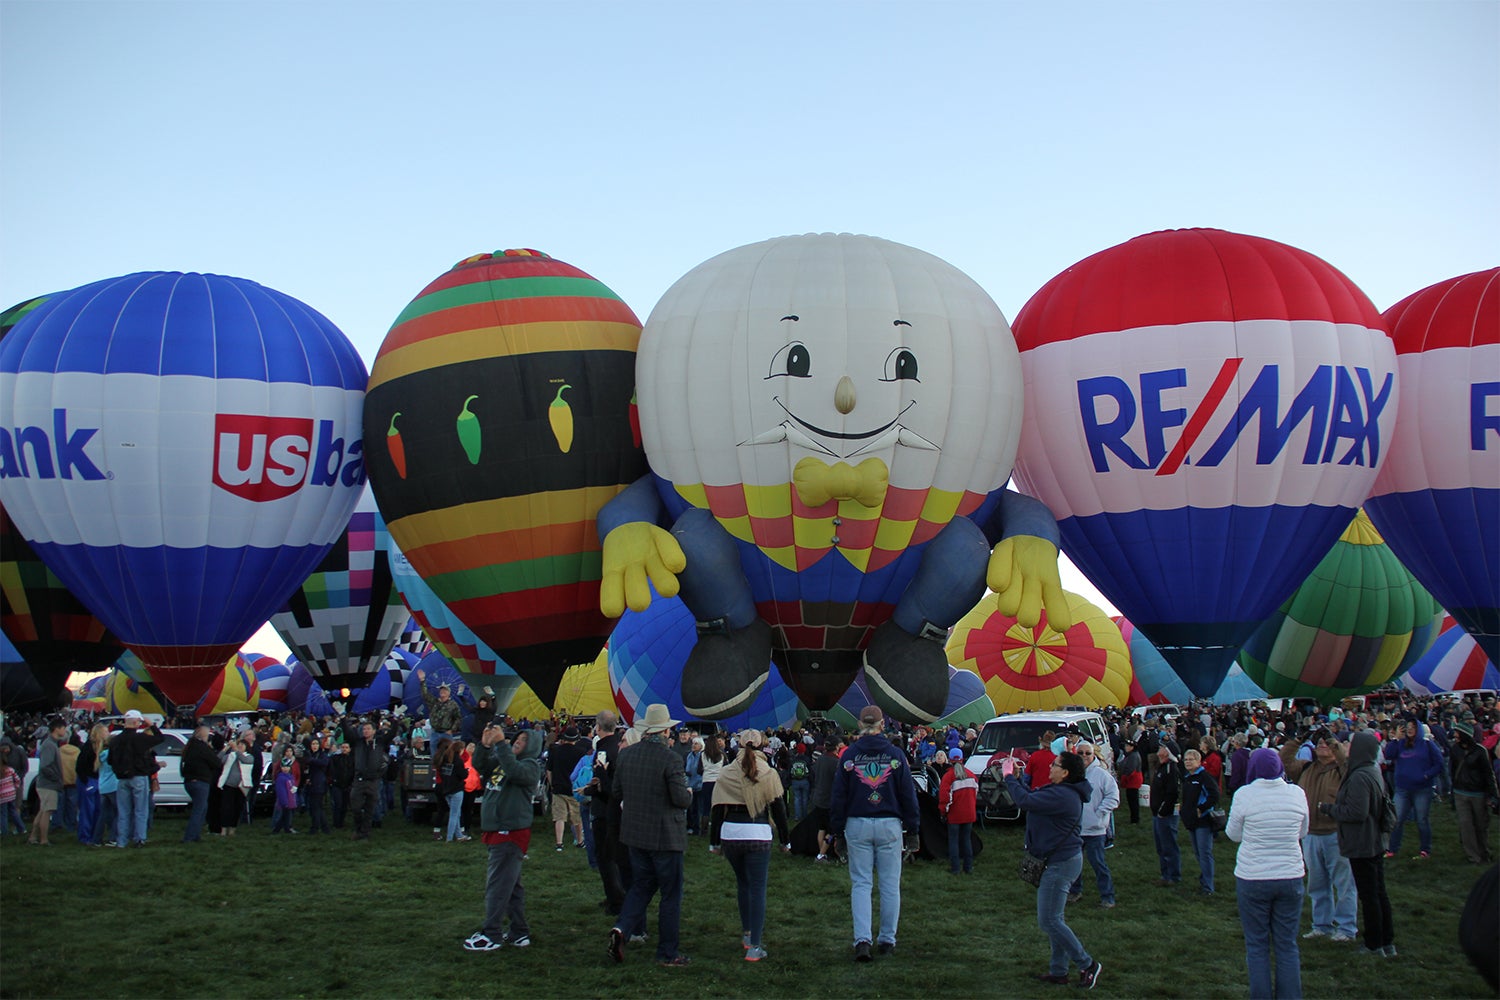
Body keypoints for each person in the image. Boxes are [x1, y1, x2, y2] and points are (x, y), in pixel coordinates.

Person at [829, 706, 920, 961]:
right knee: (890, 885)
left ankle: (862, 941)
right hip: (889, 822)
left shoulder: (849, 756)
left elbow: (838, 798)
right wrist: (913, 829)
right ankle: (887, 940)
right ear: (882, 725)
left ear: (860, 724)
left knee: (861, 883)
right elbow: (908, 796)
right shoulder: (895, 755)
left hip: (857, 823)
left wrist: (837, 833)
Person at [1005, 751, 1103, 989]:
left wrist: (1008, 777)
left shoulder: (1064, 796)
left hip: (1061, 862)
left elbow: (1025, 802)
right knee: (1055, 918)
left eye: (1055, 764)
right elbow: (1030, 796)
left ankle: (1087, 964)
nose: (1050, 767)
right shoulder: (1060, 791)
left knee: (1048, 920)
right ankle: (1059, 971)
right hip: (1059, 860)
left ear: (1066, 772)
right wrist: (1018, 780)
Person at [607, 704, 693, 967]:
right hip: (666, 837)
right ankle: (667, 952)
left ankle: (622, 929)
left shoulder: (627, 755)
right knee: (670, 895)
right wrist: (688, 795)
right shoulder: (671, 759)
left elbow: (617, 792)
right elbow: (680, 798)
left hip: (635, 834)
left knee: (641, 886)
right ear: (665, 730)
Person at [1227, 748, 1310, 999]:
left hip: (1254, 877)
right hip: (1290, 875)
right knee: (1286, 944)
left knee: (1257, 945)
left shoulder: (1244, 794)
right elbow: (1303, 830)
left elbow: (1233, 834)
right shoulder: (1297, 793)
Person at [709, 729, 790, 962]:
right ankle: (755, 945)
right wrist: (785, 840)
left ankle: (746, 935)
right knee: (757, 888)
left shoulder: (726, 772)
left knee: (743, 884)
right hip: (758, 831)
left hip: (731, 832)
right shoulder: (768, 772)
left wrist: (713, 843)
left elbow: (717, 809)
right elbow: (779, 810)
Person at [462, 723, 542, 952]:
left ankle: (492, 933)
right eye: (517, 738)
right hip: (498, 829)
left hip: (510, 831)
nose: (518, 741)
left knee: (497, 885)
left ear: (532, 746)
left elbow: (515, 772)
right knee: (511, 886)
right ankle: (519, 932)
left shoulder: (530, 766)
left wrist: (500, 744)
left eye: (524, 740)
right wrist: (485, 746)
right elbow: (482, 766)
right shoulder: (504, 762)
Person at [1320, 731, 1395, 957]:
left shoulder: (1361, 777)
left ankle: (1374, 943)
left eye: (1351, 744)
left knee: (1369, 894)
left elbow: (1357, 812)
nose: (1348, 747)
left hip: (1362, 842)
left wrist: (1329, 809)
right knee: (1379, 892)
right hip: (1372, 840)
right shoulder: (1370, 771)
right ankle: (1386, 940)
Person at [1281, 731, 1357, 941]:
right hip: (1311, 834)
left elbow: (1346, 761)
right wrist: (1297, 739)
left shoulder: (1342, 770)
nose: (1322, 745)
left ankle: (1346, 927)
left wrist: (1333, 742)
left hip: (1336, 833)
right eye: (1319, 743)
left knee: (1343, 883)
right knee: (1317, 884)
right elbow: (1284, 760)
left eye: (1327, 744)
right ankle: (1322, 924)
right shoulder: (1306, 768)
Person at [584, 710, 627, 915]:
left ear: (598, 727)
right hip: (615, 809)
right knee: (612, 856)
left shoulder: (603, 750)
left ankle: (616, 899)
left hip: (604, 810)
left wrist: (593, 788)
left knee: (605, 857)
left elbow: (606, 784)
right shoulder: (619, 747)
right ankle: (615, 895)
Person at [1382, 719, 1443, 859]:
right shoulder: (1401, 744)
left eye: (1412, 727)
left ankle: (1425, 850)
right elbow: (1389, 755)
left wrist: (1427, 775)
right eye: (1407, 727)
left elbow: (1439, 763)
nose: (1409, 729)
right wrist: (1396, 738)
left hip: (1422, 788)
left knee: (1421, 820)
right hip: (1402, 788)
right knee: (1397, 819)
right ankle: (1392, 848)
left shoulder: (1427, 744)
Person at [1071, 742, 1120, 907]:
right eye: (1080, 753)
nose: (1084, 756)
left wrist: (1099, 814)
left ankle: (1108, 897)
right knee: (1074, 864)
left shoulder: (1102, 775)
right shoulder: (1071, 775)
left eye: (1087, 753)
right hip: (1075, 828)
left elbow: (1113, 797)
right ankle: (1074, 891)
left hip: (1095, 831)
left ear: (1094, 755)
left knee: (1098, 864)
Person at [108, 710, 159, 847]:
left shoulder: (116, 740)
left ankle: (122, 841)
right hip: (139, 776)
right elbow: (160, 738)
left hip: (122, 779)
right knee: (140, 810)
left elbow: (110, 760)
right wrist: (152, 725)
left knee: (123, 811)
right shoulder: (140, 738)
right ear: (137, 722)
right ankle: (139, 838)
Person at [1450, 721, 1498, 863]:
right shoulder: (1455, 749)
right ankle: (1473, 856)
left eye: (1458, 732)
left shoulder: (1480, 751)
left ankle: (1484, 851)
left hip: (1478, 793)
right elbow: (1452, 769)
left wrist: (1492, 795)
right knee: (1466, 825)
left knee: (1481, 825)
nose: (1455, 735)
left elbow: (1488, 774)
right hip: (1460, 792)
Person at [1181, 748, 1220, 894]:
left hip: (1203, 821)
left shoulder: (1204, 777)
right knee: (1198, 853)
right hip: (1191, 820)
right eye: (1186, 759)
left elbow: (1214, 795)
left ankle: (1208, 887)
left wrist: (1201, 808)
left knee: (1205, 853)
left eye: (1191, 759)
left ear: (1199, 761)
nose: (1188, 762)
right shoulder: (1188, 777)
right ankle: (1204, 878)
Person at [938, 747, 978, 876]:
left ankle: (955, 868)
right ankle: (969, 867)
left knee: (954, 841)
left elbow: (944, 798)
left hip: (955, 815)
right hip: (970, 813)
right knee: (966, 840)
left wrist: (943, 812)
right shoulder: (971, 775)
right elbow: (975, 793)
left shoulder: (948, 776)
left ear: (949, 759)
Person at [29, 719, 66, 846]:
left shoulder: (50, 744)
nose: (65, 731)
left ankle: (33, 837)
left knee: (42, 810)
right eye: (63, 728)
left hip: (45, 784)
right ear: (57, 729)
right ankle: (44, 839)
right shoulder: (50, 745)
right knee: (47, 811)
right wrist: (57, 778)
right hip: (48, 784)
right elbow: (45, 766)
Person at [349, 721, 389, 840]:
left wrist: (396, 720)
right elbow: (348, 733)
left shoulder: (379, 743)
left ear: (374, 731)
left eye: (368, 729)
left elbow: (391, 735)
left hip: (373, 780)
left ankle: (364, 833)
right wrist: (342, 718)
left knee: (370, 808)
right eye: (364, 729)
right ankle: (358, 828)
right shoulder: (358, 742)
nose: (365, 731)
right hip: (359, 779)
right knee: (355, 807)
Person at [181, 725, 221, 843]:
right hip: (200, 780)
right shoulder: (202, 748)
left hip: (189, 781)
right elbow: (216, 762)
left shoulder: (190, 747)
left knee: (201, 808)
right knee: (199, 810)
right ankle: (190, 836)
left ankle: (195, 835)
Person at [1150, 745, 1182, 886]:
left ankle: (1173, 876)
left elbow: (1173, 792)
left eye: (1162, 749)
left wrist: (1163, 811)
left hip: (1166, 814)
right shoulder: (1162, 767)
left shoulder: (1171, 769)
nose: (1158, 751)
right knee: (1161, 846)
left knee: (1168, 845)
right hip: (1158, 813)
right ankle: (1165, 874)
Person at [809, 737, 842, 862]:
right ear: (836, 747)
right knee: (832, 830)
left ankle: (822, 853)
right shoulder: (836, 762)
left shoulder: (820, 759)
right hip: (830, 800)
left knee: (821, 828)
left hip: (818, 798)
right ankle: (821, 854)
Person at [418, 672, 464, 755]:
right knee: (434, 753)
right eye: (441, 690)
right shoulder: (435, 702)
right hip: (435, 732)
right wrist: (422, 681)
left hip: (446, 733)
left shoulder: (453, 704)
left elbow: (458, 718)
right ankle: (435, 767)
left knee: (448, 753)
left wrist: (452, 730)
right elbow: (425, 695)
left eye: (445, 690)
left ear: (448, 693)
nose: (442, 692)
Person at [217, 732, 254, 836]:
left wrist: (236, 750)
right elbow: (218, 759)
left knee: (236, 808)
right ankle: (224, 828)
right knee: (226, 808)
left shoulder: (249, 757)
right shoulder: (231, 756)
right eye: (239, 745)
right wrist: (226, 748)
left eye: (242, 745)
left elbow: (244, 760)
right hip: (228, 785)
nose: (240, 746)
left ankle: (232, 828)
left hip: (241, 786)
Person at [436, 739, 469, 842]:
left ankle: (459, 835)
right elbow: (463, 775)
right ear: (460, 749)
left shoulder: (444, 759)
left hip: (446, 789)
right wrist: (466, 772)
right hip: (456, 789)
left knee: (455, 812)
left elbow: (441, 772)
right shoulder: (458, 760)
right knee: (454, 815)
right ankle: (449, 838)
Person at [1117, 738, 1143, 824]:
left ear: (1132, 747)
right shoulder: (1131, 755)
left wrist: (1124, 779)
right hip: (1132, 781)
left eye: (1128, 746)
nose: (1126, 747)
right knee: (1132, 800)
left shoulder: (1133, 756)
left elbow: (1130, 770)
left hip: (1133, 781)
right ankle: (1134, 818)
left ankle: (1135, 819)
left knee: (1133, 800)